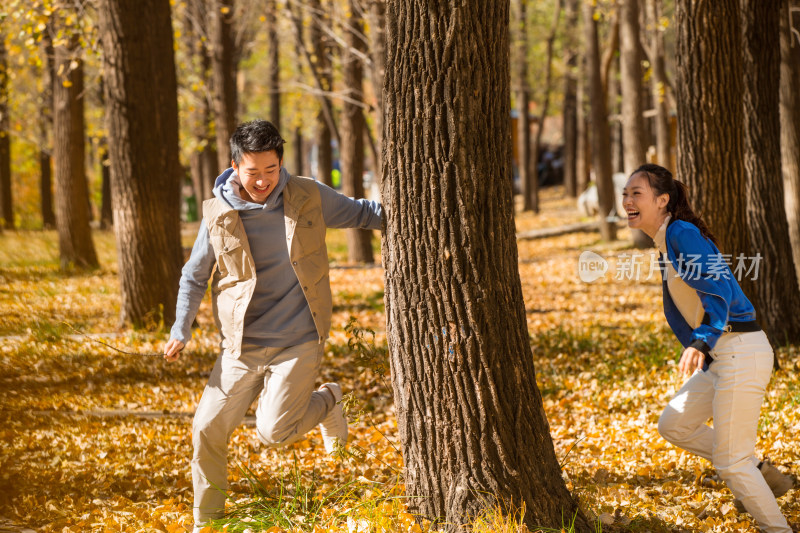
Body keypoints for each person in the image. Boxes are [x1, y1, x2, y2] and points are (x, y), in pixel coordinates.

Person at [163, 119, 383, 531]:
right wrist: (181, 328)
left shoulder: (308, 195)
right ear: (234, 166)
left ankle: (328, 400)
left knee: (273, 432)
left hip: (298, 339)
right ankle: (207, 522)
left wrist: (422, 216)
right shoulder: (217, 213)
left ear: (281, 162)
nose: (262, 181)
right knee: (206, 428)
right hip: (240, 346)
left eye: (270, 170)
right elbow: (194, 275)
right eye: (252, 172)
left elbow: (363, 213)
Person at [621, 163, 793, 533]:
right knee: (675, 423)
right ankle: (760, 472)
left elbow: (719, 288)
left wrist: (703, 338)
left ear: (662, 200)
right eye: (625, 193)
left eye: (637, 192)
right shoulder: (666, 240)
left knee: (732, 463)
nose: (627, 200)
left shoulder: (681, 232)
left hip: (740, 349)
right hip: (723, 355)